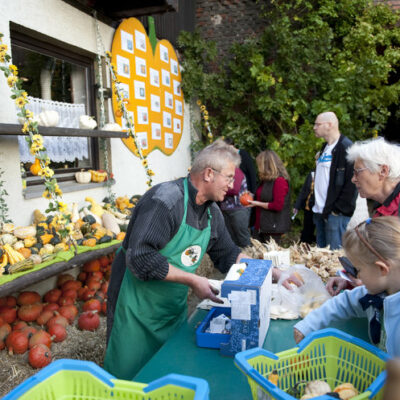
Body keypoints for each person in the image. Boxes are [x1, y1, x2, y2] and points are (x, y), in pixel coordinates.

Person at [104, 140, 297, 380]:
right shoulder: (165, 201)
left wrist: (272, 272)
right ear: (208, 174)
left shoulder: (211, 211)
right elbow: (141, 257)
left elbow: (228, 254)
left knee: (162, 371)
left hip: (168, 308)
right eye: (229, 177)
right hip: (134, 306)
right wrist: (192, 279)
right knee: (127, 375)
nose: (232, 185)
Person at [294, 216, 400, 357]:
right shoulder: (372, 293)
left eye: (358, 270)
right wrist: (308, 325)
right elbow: (343, 302)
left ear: (382, 269)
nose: (356, 276)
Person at [326, 137, 400, 295]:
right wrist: (353, 279)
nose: (353, 179)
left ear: (383, 171)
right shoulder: (383, 207)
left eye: (357, 172)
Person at [312, 112, 357, 250]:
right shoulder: (325, 148)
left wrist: (337, 210)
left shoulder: (346, 148)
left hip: (335, 214)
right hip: (320, 211)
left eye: (317, 124)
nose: (314, 127)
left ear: (329, 125)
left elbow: (353, 182)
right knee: (320, 258)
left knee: (334, 259)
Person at [249, 150, 291, 244]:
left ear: (266, 165)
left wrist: (257, 204)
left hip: (272, 228)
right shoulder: (266, 180)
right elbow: (262, 197)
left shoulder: (280, 181)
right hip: (259, 226)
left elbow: (277, 206)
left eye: (259, 164)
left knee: (270, 256)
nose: (258, 167)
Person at [219, 167, 251, 248]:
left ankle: (249, 258)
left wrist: (218, 188)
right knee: (230, 239)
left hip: (238, 208)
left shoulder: (235, 171)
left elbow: (234, 189)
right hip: (226, 209)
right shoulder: (223, 171)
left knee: (243, 239)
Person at [293, 170, 316, 244]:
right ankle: (305, 247)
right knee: (307, 230)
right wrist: (297, 205)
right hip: (308, 207)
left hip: (319, 209)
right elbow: (304, 191)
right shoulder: (312, 174)